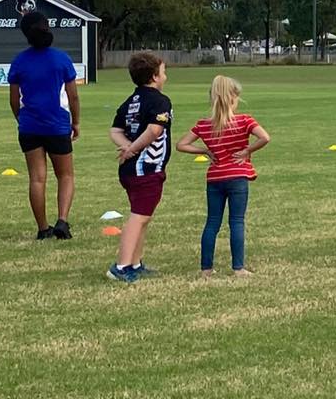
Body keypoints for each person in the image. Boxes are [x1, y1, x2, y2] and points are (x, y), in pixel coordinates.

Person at [176, 75, 269, 278]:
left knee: (212, 222)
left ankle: (206, 269)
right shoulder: (245, 121)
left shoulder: (204, 125)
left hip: (215, 178)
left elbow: (181, 145)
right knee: (236, 221)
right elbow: (264, 137)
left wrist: (203, 151)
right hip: (238, 177)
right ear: (233, 98)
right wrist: (246, 151)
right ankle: (238, 268)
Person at [9, 13, 83, 241]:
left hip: (30, 126)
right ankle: (62, 220)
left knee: (37, 179)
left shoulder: (19, 61)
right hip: (57, 125)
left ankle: (42, 228)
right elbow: (73, 96)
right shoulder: (61, 59)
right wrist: (76, 122)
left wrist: (21, 119)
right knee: (66, 175)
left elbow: (13, 99)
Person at [107, 53, 173, 283]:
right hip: (146, 168)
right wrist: (134, 148)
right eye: (163, 72)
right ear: (155, 76)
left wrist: (127, 147)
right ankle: (121, 266)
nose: (165, 76)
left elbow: (114, 130)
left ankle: (135, 262)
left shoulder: (131, 101)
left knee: (143, 215)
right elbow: (155, 130)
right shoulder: (160, 101)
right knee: (138, 217)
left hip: (130, 170)